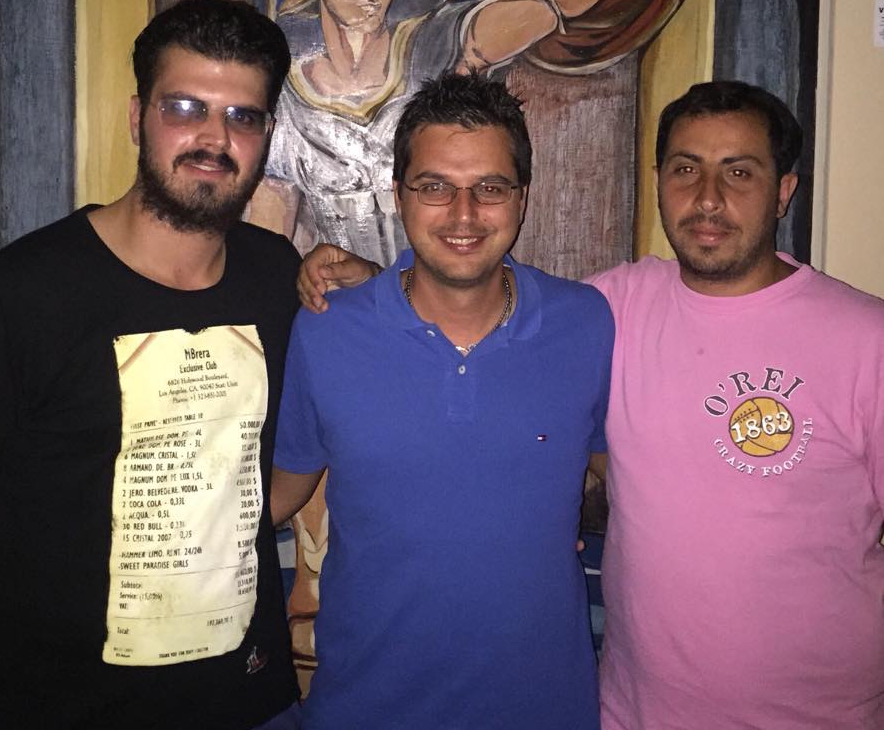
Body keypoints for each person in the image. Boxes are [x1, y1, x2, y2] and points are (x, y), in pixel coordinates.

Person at [298, 80, 884, 728]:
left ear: (783, 190)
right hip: (635, 711)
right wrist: (377, 286)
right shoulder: (611, 307)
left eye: (739, 172)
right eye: (686, 169)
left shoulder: (866, 339)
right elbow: (467, 293)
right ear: (660, 181)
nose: (708, 197)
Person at [0, 0, 303, 730]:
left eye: (242, 117)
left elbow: (270, 476)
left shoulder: (277, 278)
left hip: (252, 704)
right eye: (185, 107)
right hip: (72, 710)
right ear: (138, 118)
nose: (214, 138)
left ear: (266, 136)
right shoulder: (21, 292)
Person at [271, 70, 613, 729]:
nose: (463, 214)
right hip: (367, 707)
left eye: (490, 187)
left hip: (542, 708)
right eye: (434, 187)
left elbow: (629, 481)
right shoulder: (329, 329)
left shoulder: (585, 323)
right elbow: (278, 494)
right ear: (398, 195)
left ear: (522, 198)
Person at [258, 0, 668, 266]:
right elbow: (268, 242)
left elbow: (549, 4)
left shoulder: (430, 44)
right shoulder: (286, 99)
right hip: (344, 303)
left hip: (445, 293)